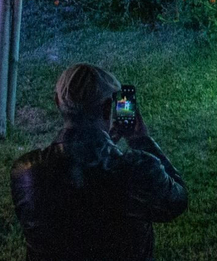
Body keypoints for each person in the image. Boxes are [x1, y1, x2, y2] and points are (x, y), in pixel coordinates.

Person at [11, 63, 187, 261]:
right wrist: (141, 140)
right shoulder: (138, 169)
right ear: (106, 109)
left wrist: (103, 144)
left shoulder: (25, 172)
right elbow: (178, 201)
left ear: (57, 102)